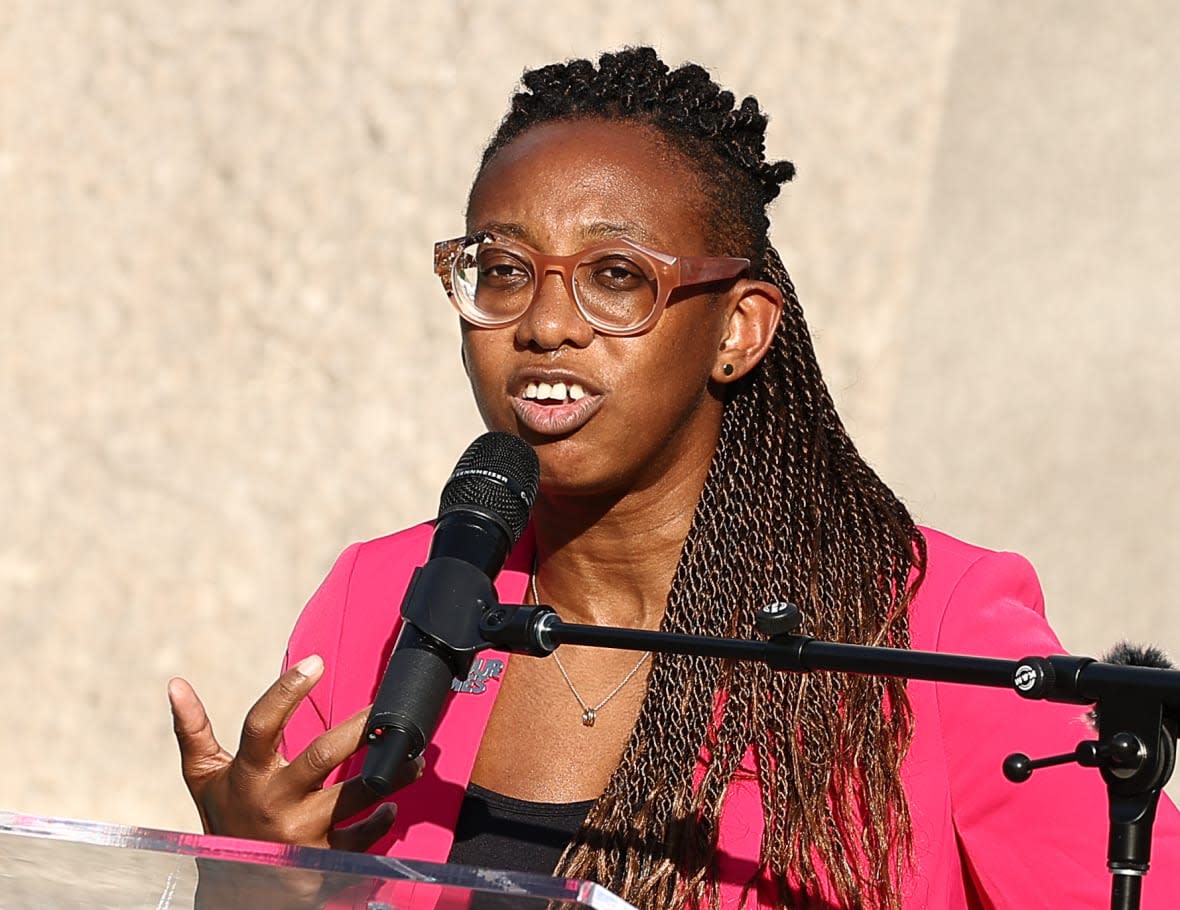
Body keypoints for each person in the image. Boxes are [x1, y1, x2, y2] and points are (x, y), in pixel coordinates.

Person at [168, 47, 1180, 909]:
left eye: (616, 276)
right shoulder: (380, 601)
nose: (545, 324)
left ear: (737, 329)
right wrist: (245, 881)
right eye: (503, 268)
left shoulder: (922, 625)